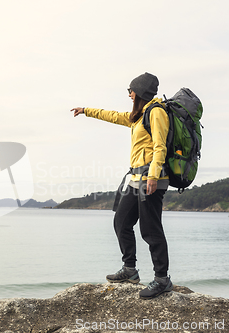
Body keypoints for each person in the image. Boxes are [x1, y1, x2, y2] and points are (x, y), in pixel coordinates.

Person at [70, 72, 173, 299]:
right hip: (136, 179)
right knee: (121, 222)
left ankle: (162, 279)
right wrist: (86, 110)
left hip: (150, 179)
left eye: (131, 90)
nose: (129, 94)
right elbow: (114, 115)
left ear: (140, 92)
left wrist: (154, 177)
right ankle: (130, 270)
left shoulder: (156, 113)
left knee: (150, 230)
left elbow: (160, 147)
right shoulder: (139, 115)